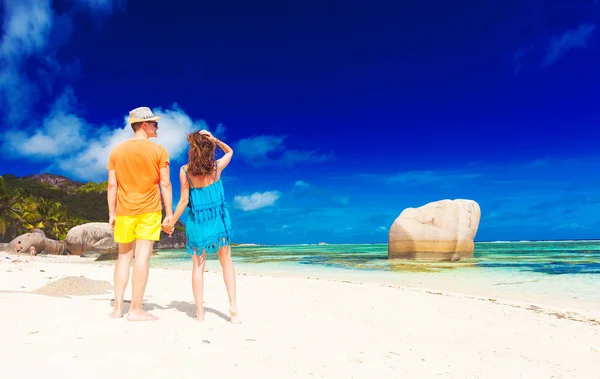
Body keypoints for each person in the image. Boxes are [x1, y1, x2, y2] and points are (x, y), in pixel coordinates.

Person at [163, 130, 240, 323]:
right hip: (219, 220)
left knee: (198, 267)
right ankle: (233, 307)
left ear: (192, 150)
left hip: (198, 222)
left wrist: (170, 222)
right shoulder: (216, 168)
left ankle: (199, 312)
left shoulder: (185, 171)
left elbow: (182, 202)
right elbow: (230, 152)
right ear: (209, 148)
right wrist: (215, 139)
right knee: (227, 263)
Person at [106, 106, 173, 321]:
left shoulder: (116, 151)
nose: (157, 127)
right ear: (144, 124)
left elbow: (111, 186)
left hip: (124, 210)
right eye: (154, 123)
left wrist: (111, 213)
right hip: (149, 211)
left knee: (123, 258)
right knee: (142, 258)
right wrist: (169, 213)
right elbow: (165, 184)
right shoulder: (159, 151)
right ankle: (135, 310)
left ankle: (117, 309)